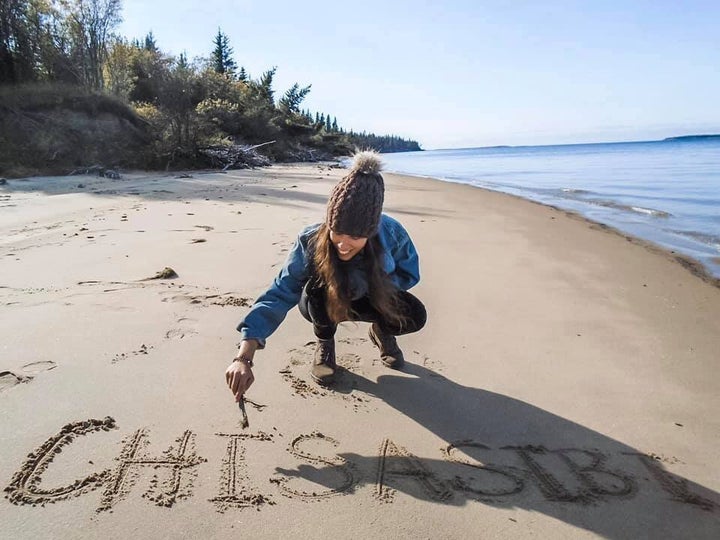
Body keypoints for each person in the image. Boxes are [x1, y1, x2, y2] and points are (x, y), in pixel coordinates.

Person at [225, 150, 427, 402]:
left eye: (355, 237)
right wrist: (244, 357)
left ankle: (381, 332)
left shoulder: (392, 232)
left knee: (415, 315)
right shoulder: (310, 240)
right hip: (324, 301)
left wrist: (371, 288)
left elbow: (410, 273)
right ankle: (325, 343)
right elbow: (279, 292)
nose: (343, 244)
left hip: (373, 297)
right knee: (315, 289)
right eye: (338, 232)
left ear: (372, 231)